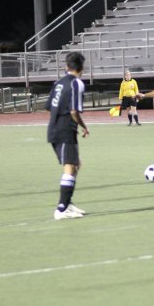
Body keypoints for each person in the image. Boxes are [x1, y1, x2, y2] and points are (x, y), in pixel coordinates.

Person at [46, 52, 90, 220]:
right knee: (70, 167)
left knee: (76, 165)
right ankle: (61, 209)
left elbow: (49, 107)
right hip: (65, 129)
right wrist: (84, 126)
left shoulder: (58, 83)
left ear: (66, 66)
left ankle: (68, 203)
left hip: (55, 128)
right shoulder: (76, 83)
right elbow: (73, 111)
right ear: (82, 68)